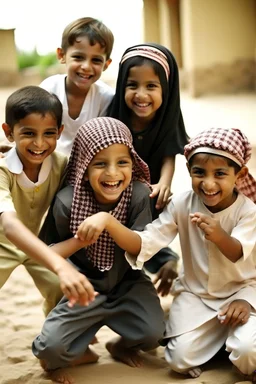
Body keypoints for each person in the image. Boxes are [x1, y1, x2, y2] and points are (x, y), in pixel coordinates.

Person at [75, 127, 256, 382]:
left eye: (220, 174)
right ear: (189, 172)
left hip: (242, 295)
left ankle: (232, 342)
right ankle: (220, 343)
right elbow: (147, 242)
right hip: (197, 297)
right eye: (199, 172)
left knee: (249, 354)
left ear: (240, 174)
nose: (208, 183)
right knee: (179, 362)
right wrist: (109, 222)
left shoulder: (248, 211)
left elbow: (238, 252)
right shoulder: (182, 203)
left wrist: (219, 236)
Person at [32, 117, 165, 384]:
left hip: (128, 282)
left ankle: (120, 346)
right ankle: (75, 352)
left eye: (122, 162)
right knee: (50, 348)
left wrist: (107, 221)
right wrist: (79, 241)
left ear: (132, 162)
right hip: (85, 286)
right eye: (100, 163)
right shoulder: (67, 201)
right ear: (84, 165)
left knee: (155, 333)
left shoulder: (138, 194)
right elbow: (47, 252)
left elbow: (141, 246)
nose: (113, 173)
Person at [0, 85, 97, 315]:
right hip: (3, 245)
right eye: (28, 133)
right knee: (63, 273)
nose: (39, 143)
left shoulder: (62, 164)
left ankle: (61, 336)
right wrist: (60, 265)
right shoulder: (3, 170)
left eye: (49, 133)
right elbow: (10, 225)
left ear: (60, 131)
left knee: (66, 291)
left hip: (36, 244)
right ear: (9, 132)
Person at [108, 43, 189, 294]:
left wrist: (165, 182)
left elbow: (169, 152)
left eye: (151, 86)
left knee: (146, 222)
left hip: (149, 190)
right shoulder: (115, 116)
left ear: (166, 88)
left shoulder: (168, 116)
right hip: (116, 185)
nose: (141, 95)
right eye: (132, 85)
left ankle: (162, 261)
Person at [40, 16, 114, 155]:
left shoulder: (106, 97)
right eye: (78, 57)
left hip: (87, 167)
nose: (86, 66)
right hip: (47, 161)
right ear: (61, 55)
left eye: (96, 60)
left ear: (106, 64)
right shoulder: (49, 88)